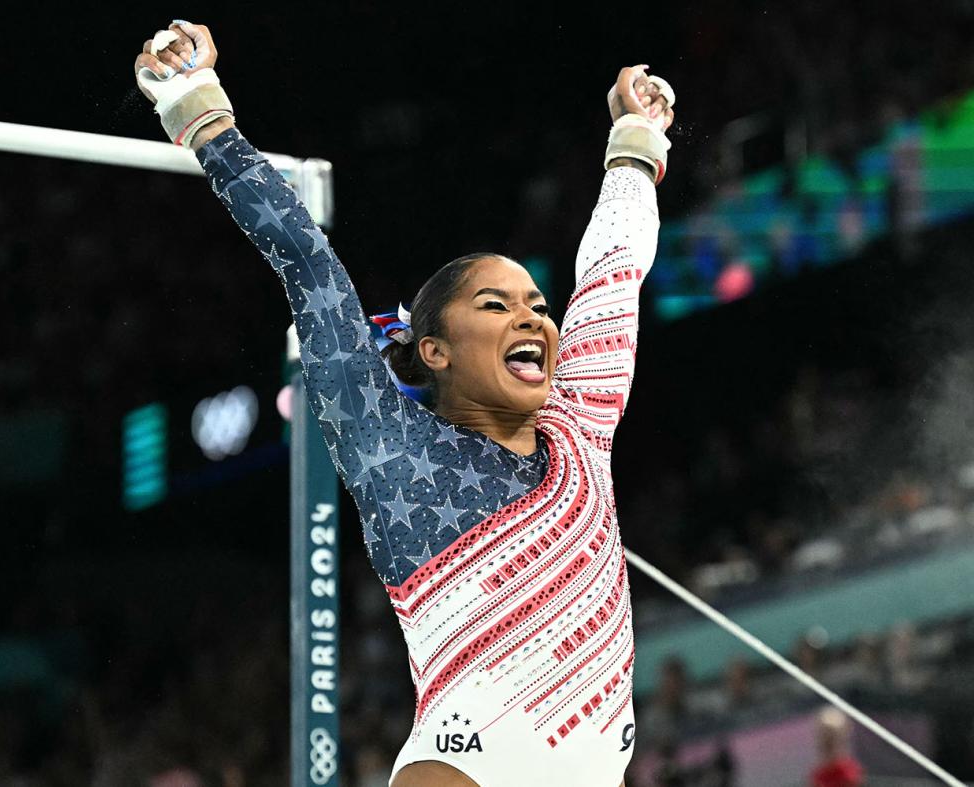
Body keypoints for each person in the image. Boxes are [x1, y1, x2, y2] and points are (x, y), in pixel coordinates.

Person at [134, 20, 675, 787]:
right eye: (496, 305)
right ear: (435, 349)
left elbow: (614, 269)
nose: (532, 318)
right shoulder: (395, 449)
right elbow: (308, 264)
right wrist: (199, 109)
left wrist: (635, 142)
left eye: (537, 303)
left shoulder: (580, 422)